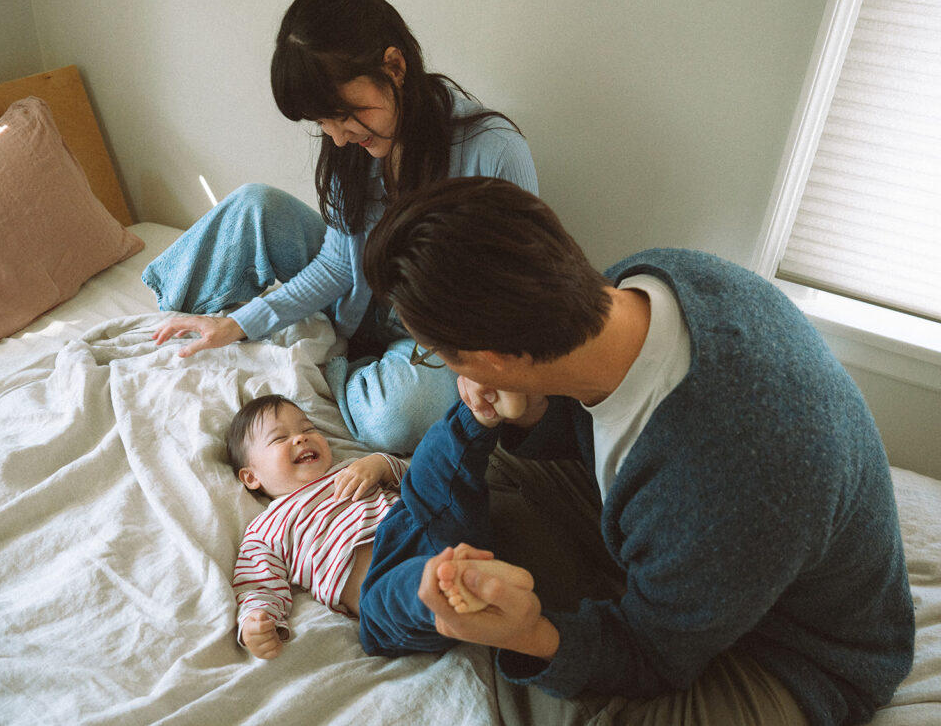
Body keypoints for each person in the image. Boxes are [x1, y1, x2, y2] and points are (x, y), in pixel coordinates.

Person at [359, 176, 915, 726]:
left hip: (792, 647)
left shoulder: (727, 481)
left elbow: (651, 657)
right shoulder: (644, 281)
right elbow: (598, 420)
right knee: (493, 476)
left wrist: (527, 633)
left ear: (495, 357)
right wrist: (531, 414)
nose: (446, 369)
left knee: (557, 682)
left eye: (435, 355)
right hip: (706, 549)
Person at [144, 0, 538, 455]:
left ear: (394, 67)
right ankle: (171, 325)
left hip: (434, 331)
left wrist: (473, 368)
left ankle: (332, 364)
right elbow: (337, 265)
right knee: (254, 206)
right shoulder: (354, 149)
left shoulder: (493, 152)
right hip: (358, 296)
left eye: (343, 115)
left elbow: (514, 295)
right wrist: (240, 324)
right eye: (322, 123)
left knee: (396, 418)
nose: (337, 138)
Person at [226, 393, 531, 660]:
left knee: (432, 466)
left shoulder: (349, 468)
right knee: (403, 593)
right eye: (280, 438)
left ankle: (478, 413)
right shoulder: (265, 529)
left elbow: (412, 479)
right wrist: (255, 620)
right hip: (380, 582)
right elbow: (257, 583)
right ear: (251, 477)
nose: (301, 438)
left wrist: (380, 465)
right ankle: (458, 586)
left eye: (308, 428)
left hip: (423, 523)